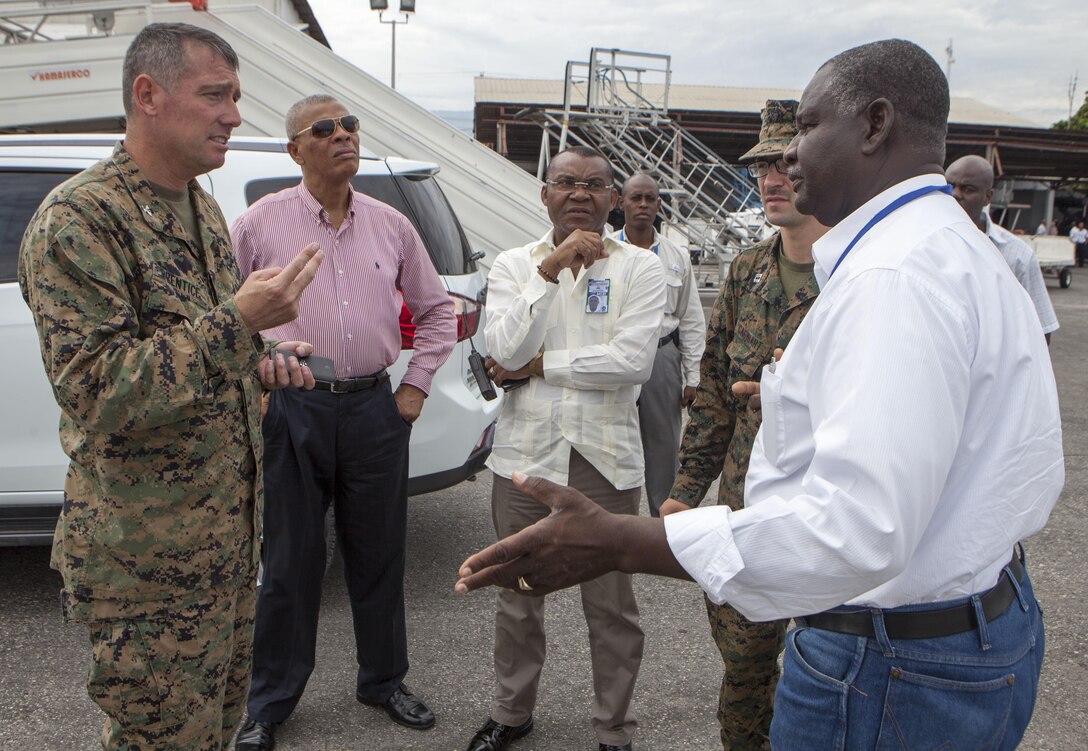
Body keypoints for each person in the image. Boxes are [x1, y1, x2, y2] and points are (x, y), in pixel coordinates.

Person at [456, 39, 1063, 751]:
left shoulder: (894, 276)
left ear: (873, 125)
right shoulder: (954, 251)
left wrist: (625, 538)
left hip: (888, 662)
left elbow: (855, 530)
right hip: (966, 620)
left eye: (805, 128)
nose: (788, 157)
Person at [18, 23, 323, 750]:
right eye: (215, 95)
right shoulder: (80, 218)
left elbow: (200, 354)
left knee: (211, 738)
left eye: (237, 97)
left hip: (222, 551)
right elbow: (98, 390)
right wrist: (237, 323)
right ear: (147, 95)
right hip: (147, 570)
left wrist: (257, 358)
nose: (234, 114)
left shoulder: (202, 209)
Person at [231, 94, 454, 751]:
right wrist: (258, 379)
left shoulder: (390, 225)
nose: (341, 136)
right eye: (323, 129)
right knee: (290, 560)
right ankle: (268, 702)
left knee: (379, 553)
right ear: (295, 149)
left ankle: (383, 680)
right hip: (293, 407)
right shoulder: (258, 224)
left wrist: (413, 387)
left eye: (350, 125)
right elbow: (224, 315)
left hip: (371, 407)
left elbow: (437, 311)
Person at [468, 145, 665, 751]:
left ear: (613, 198)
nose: (580, 193)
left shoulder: (640, 268)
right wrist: (548, 272)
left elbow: (632, 363)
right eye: (566, 182)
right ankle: (512, 712)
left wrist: (542, 365)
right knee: (517, 594)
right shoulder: (512, 265)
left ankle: (614, 729)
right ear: (544, 193)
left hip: (604, 459)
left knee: (610, 605)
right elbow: (502, 346)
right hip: (526, 459)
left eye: (595, 184)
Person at [658, 99, 827, 750]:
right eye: (763, 167)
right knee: (745, 663)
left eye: (788, 162)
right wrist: (684, 488)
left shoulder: (855, 277)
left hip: (825, 515)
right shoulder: (747, 269)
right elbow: (716, 402)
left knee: (825, 661)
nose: (772, 179)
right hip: (746, 508)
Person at [611, 173, 705, 518]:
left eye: (650, 199)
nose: (643, 205)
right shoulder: (604, 251)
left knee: (663, 445)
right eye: (635, 198)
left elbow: (692, 318)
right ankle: (613, 522)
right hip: (615, 354)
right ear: (621, 203)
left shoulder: (677, 256)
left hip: (662, 356)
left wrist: (693, 376)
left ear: (658, 205)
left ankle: (662, 524)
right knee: (610, 439)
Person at [946, 155, 1059, 344]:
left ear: (988, 197)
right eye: (949, 186)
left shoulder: (1018, 256)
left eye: (968, 189)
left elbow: (1042, 330)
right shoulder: (924, 243)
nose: (955, 194)